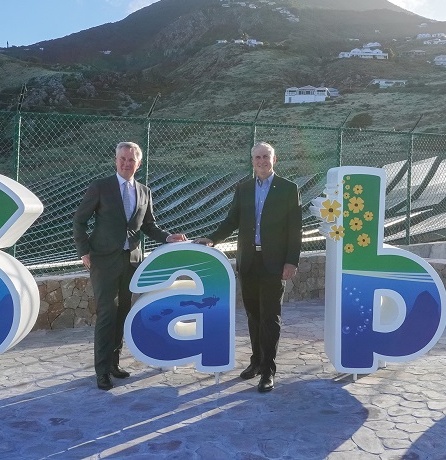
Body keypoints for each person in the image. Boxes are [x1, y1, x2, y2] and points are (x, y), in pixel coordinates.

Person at [74, 141, 187, 391]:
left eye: (131, 160)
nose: (126, 163)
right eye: (122, 159)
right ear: (116, 160)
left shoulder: (144, 191)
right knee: (107, 314)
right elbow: (79, 221)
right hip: (103, 261)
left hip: (131, 261)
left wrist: (168, 237)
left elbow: (148, 225)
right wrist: (84, 252)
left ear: (139, 163)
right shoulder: (100, 187)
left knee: (123, 312)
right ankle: (102, 371)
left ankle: (114, 364)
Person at [194, 142, 301, 393]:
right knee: (253, 315)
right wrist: (212, 238)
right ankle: (255, 361)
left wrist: (291, 261)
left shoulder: (288, 189)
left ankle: (268, 371)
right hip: (249, 262)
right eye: (257, 157)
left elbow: (295, 228)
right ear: (252, 161)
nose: (261, 161)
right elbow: (231, 219)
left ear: (275, 159)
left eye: (266, 157)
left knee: (270, 318)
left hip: (274, 263)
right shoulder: (243, 189)